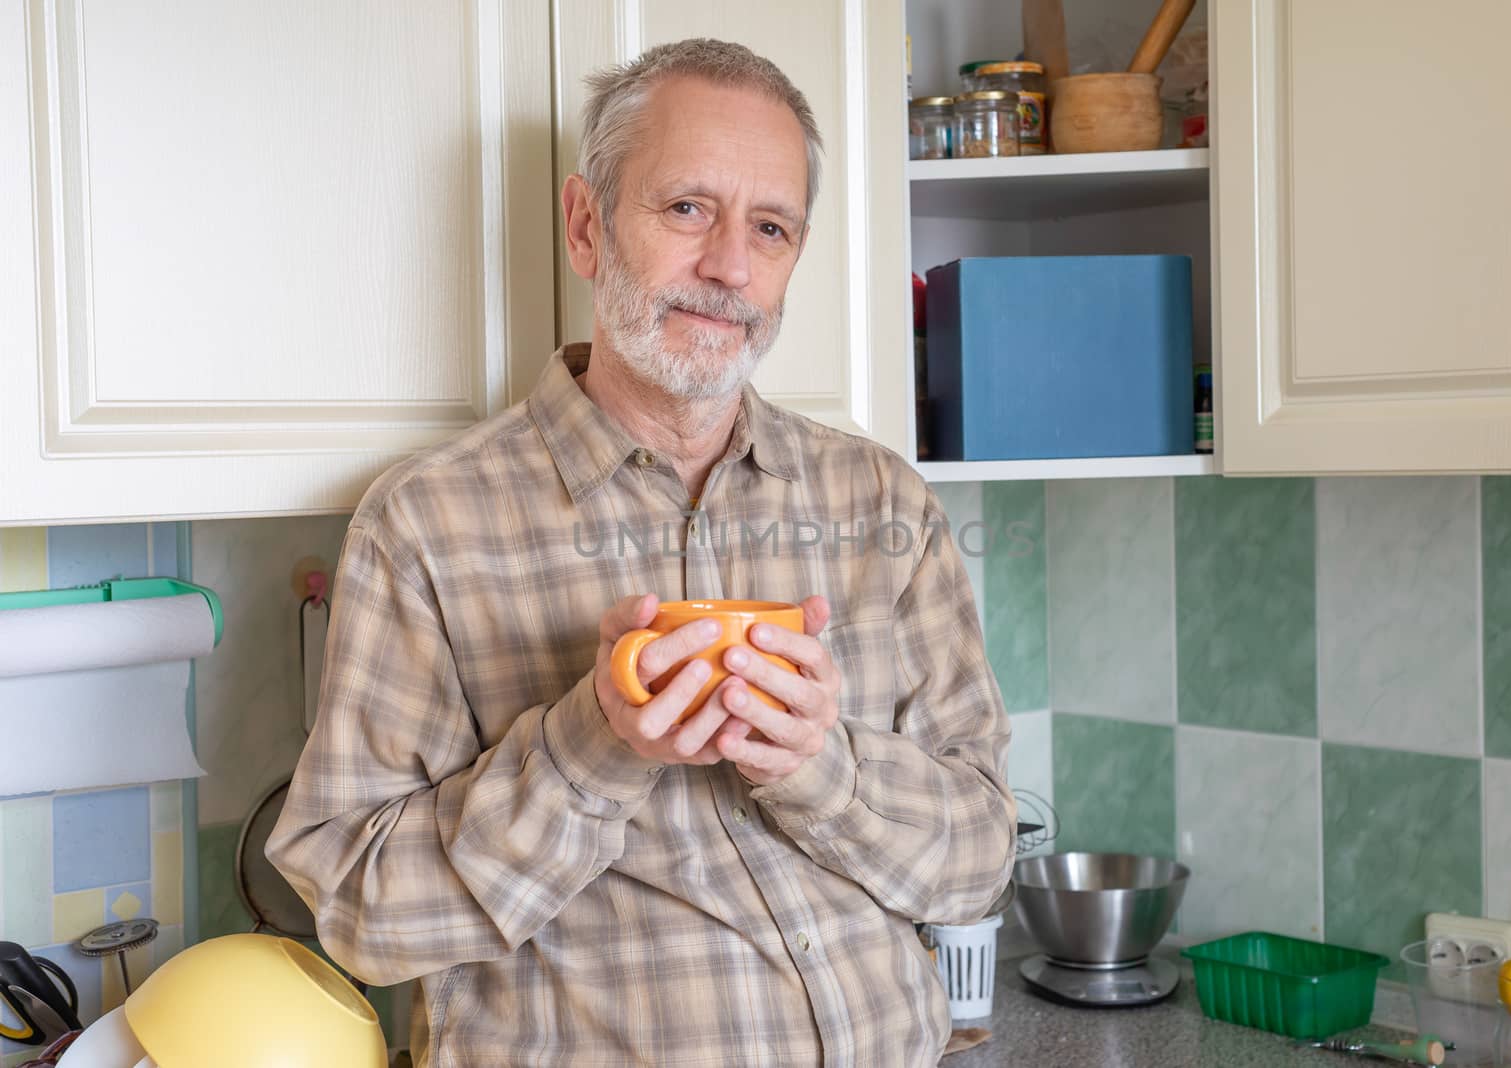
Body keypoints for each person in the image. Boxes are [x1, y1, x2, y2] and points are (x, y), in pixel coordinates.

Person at [266, 37, 1015, 1067]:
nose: (730, 269)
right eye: (685, 210)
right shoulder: (426, 525)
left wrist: (818, 765)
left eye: (771, 227)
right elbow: (359, 911)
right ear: (587, 226)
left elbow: (977, 862)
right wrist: (591, 747)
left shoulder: (881, 500)